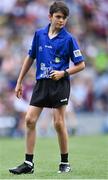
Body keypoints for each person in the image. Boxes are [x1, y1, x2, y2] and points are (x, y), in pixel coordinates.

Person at [9, 1, 85, 175]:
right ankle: (28, 163)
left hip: (60, 83)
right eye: (58, 17)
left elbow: (81, 65)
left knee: (58, 123)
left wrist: (64, 73)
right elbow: (30, 58)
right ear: (50, 16)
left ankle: (64, 163)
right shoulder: (39, 34)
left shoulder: (69, 39)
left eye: (64, 18)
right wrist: (19, 81)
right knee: (29, 120)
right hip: (41, 83)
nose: (61, 21)